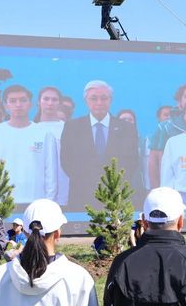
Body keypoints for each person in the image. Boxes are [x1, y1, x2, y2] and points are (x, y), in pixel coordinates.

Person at [60, 80, 141, 211]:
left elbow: (132, 162)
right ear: (86, 101)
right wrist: (88, 182)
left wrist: (113, 184)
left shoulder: (126, 128)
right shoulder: (72, 127)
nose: (99, 102)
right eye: (94, 98)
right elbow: (66, 162)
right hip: (81, 196)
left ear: (110, 100)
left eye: (104, 98)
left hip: (116, 195)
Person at [0, 85, 59, 203]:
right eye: (13, 101)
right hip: (2, 202)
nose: (18, 105)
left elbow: (51, 173)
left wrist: (49, 203)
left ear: (30, 104)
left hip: (36, 202)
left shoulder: (45, 134)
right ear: (5, 106)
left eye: (23, 100)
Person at [35, 86, 70, 205]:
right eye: (46, 99)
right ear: (38, 102)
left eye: (54, 100)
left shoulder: (68, 129)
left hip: (64, 191)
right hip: (37, 192)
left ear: (60, 103)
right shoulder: (32, 130)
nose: (50, 103)